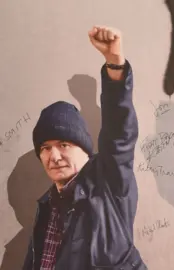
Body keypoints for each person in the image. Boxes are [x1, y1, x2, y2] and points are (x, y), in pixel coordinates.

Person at [22, 26, 147, 270]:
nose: (54, 156)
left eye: (64, 144)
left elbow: (119, 134)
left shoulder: (109, 186)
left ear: (86, 150)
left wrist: (114, 65)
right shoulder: (48, 205)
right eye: (45, 148)